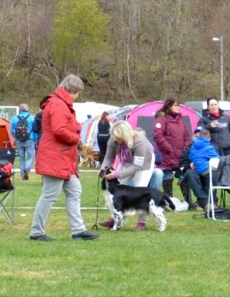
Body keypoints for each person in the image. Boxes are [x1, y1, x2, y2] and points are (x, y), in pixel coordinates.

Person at [29, 74, 99, 242]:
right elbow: (59, 130)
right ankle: (36, 232)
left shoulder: (61, 104)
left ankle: (78, 230)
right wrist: (76, 139)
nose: (77, 97)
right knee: (49, 195)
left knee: (74, 191)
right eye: (78, 93)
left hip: (63, 158)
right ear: (72, 90)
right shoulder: (59, 105)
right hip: (55, 157)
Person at [98, 120, 157, 231]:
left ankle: (141, 222)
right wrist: (102, 170)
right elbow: (108, 157)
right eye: (115, 137)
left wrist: (117, 174)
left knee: (140, 190)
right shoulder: (113, 138)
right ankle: (115, 219)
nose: (116, 139)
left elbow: (136, 166)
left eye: (119, 137)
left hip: (143, 163)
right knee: (116, 191)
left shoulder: (140, 141)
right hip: (126, 161)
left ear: (125, 134)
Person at [197, 96, 230, 205]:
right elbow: (199, 134)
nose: (214, 106)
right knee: (213, 176)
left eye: (215, 104)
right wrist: (209, 126)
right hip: (212, 154)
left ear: (218, 105)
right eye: (211, 105)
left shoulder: (226, 119)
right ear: (208, 107)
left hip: (227, 152)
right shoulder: (203, 120)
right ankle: (213, 202)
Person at [152, 98, 191, 198]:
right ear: (169, 106)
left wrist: (185, 149)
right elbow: (158, 136)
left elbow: (186, 135)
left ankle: (188, 200)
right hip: (167, 154)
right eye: (176, 105)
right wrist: (169, 148)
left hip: (180, 154)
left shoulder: (180, 119)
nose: (178, 107)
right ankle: (169, 199)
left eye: (179, 105)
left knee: (183, 176)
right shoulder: (161, 119)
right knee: (168, 177)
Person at [182, 126, 220, 212]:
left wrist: (194, 162)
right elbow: (217, 158)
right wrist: (189, 165)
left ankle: (203, 203)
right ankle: (207, 202)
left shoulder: (193, 147)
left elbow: (191, 157)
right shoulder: (209, 147)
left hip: (200, 170)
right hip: (198, 171)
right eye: (196, 135)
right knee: (192, 174)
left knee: (212, 176)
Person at [11, 103, 35, 180]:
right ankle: (27, 168)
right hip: (29, 140)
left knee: (21, 159)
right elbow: (35, 130)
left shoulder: (15, 118)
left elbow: (12, 131)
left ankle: (23, 178)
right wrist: (35, 139)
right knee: (31, 157)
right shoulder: (32, 118)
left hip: (19, 141)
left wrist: (16, 138)